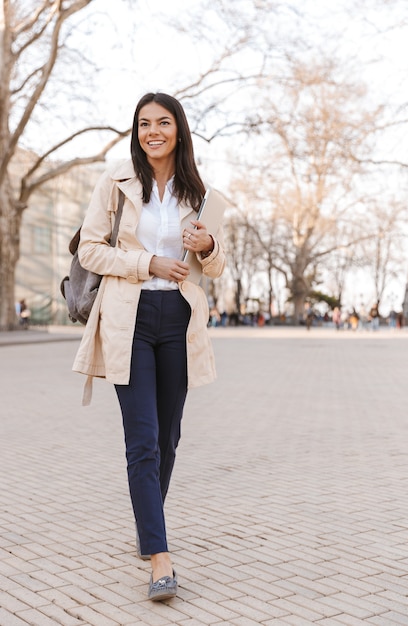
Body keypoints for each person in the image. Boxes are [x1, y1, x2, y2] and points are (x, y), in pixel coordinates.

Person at [72, 92, 226, 601]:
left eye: (163, 122)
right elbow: (91, 249)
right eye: (143, 123)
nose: (152, 131)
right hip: (128, 318)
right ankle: (160, 557)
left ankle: (147, 522)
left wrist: (209, 247)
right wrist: (149, 264)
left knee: (169, 438)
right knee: (142, 440)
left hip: (178, 320)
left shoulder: (196, 190)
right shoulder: (116, 182)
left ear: (179, 130)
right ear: (136, 131)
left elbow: (216, 267)